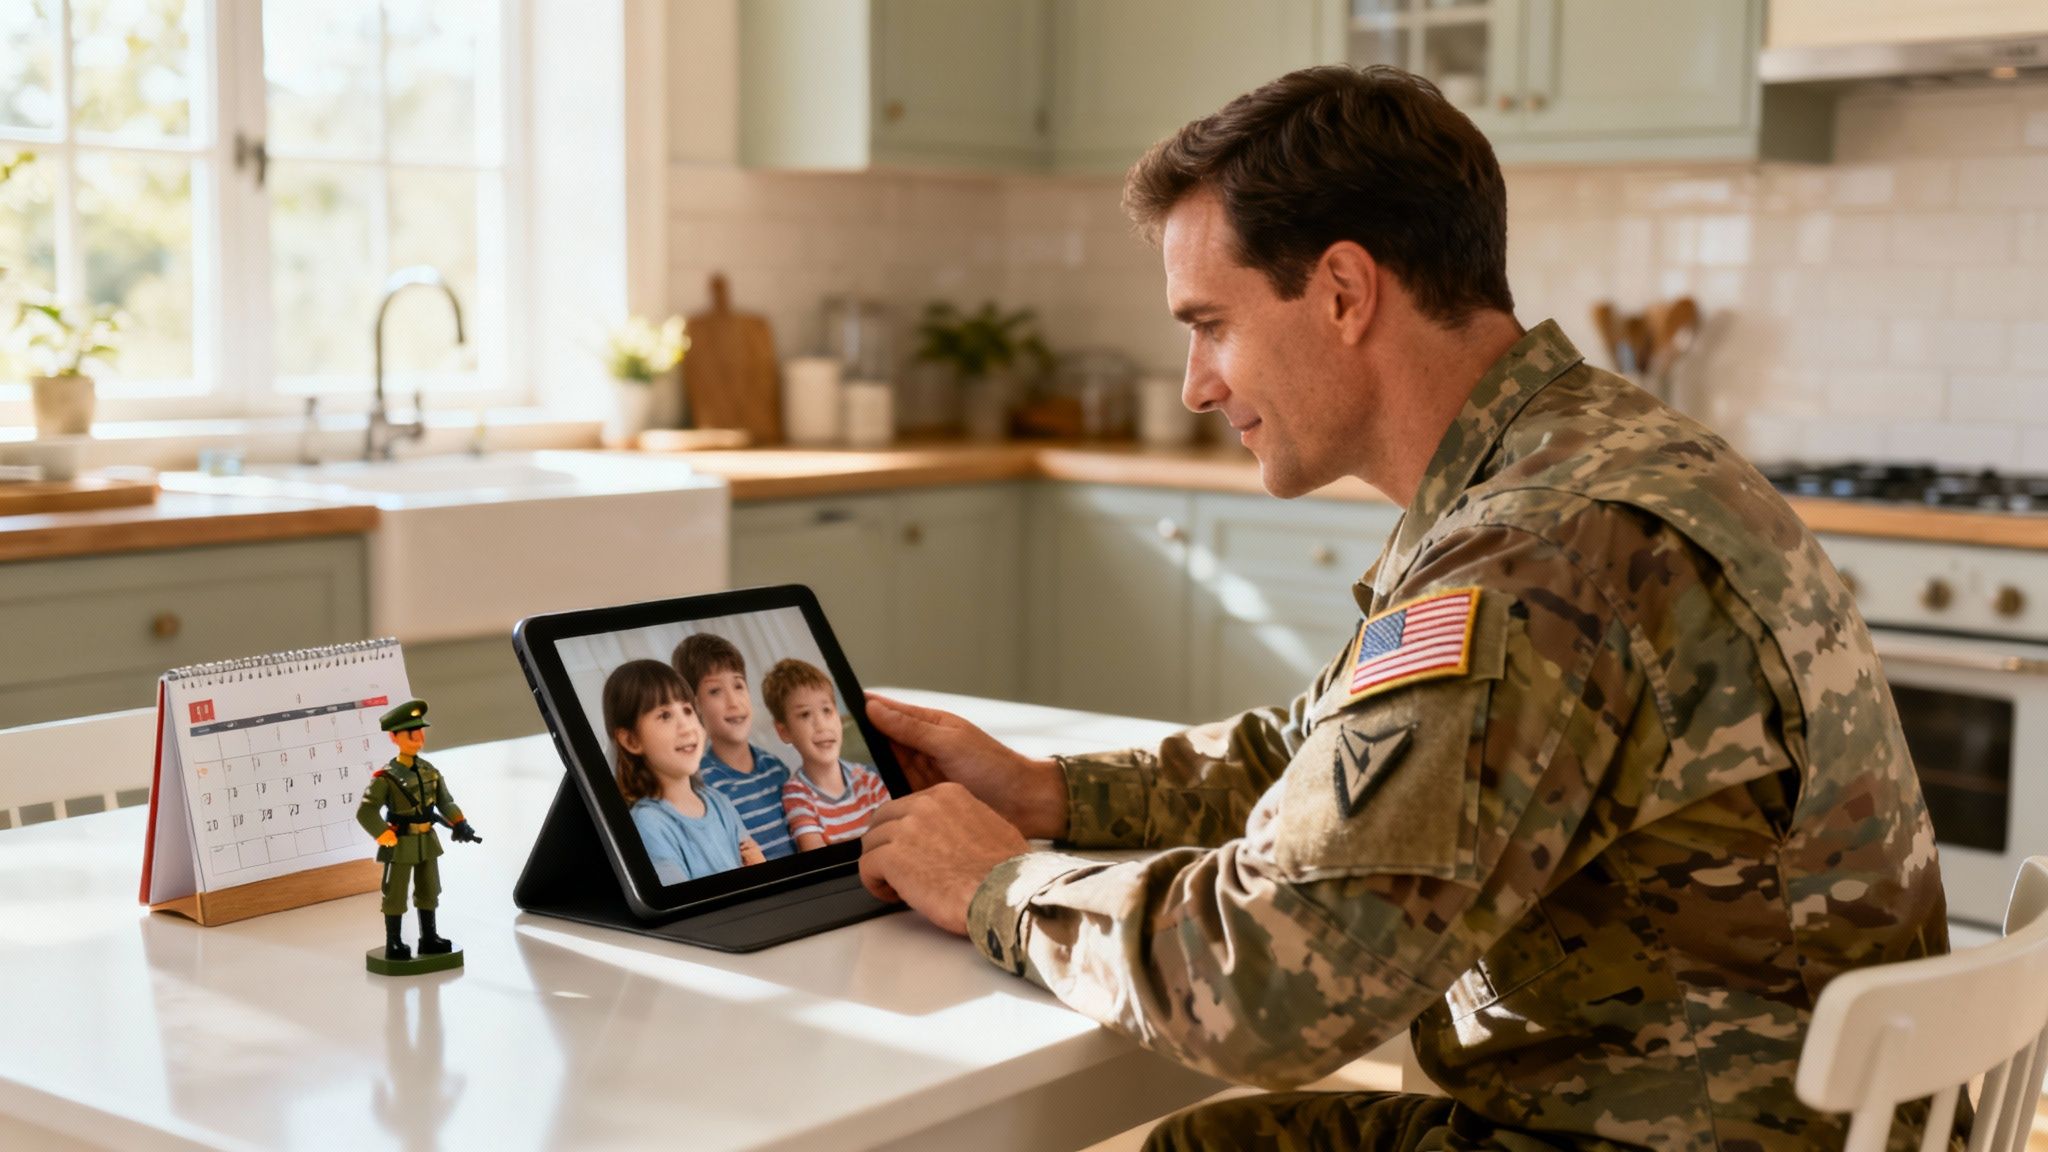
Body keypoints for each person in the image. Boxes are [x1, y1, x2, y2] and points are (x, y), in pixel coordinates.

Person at [854, 65, 1954, 1150]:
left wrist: (996, 887)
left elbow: (1267, 987)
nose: (1194, 383)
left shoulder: (1535, 552)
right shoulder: (1582, 454)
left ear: (1342, 290)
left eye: (1211, 324)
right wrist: (1048, 791)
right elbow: (1340, 762)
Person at [604, 659, 765, 885]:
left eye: (688, 711)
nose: (686, 726)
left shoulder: (720, 802)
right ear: (631, 740)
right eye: (665, 715)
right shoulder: (650, 823)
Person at [356, 698, 481, 964]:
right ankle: (394, 942)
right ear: (394, 737)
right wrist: (383, 834)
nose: (418, 737)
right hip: (400, 843)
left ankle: (429, 938)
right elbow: (365, 812)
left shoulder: (429, 771)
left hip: (427, 840)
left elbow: (445, 801)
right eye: (411, 733)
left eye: (420, 731)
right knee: (396, 893)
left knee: (429, 890)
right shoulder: (386, 777)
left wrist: (460, 821)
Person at [673, 633, 796, 860]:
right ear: (694, 706)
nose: (734, 701)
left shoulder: (776, 768)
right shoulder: (699, 783)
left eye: (738, 685)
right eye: (715, 691)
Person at [761, 658, 890, 851]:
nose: (822, 725)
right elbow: (818, 858)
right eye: (805, 714)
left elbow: (897, 838)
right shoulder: (797, 795)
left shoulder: (868, 781)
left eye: (827, 711)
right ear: (784, 731)